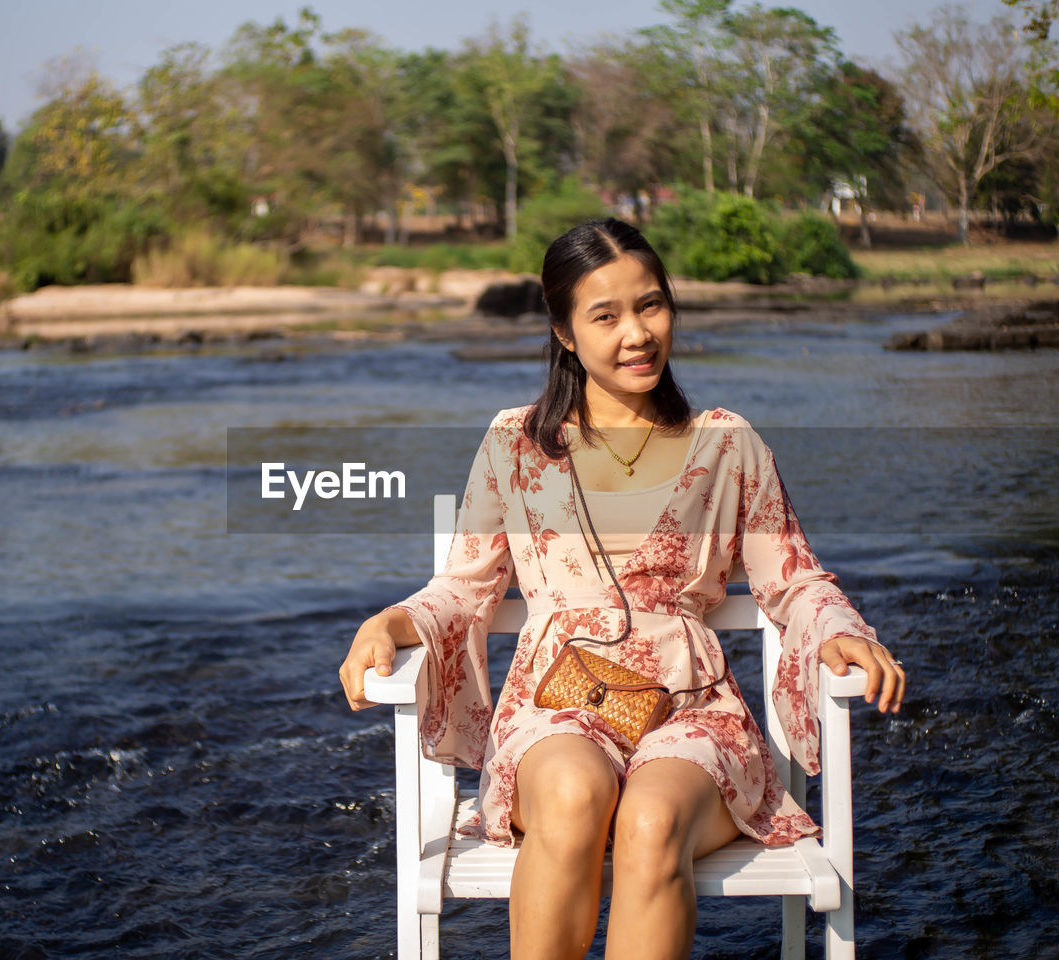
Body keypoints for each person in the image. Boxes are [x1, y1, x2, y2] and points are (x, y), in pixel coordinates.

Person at [338, 218, 906, 960]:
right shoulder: (516, 444)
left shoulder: (728, 445)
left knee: (649, 823)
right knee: (574, 800)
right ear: (565, 333)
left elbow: (793, 579)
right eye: (605, 315)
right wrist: (391, 621)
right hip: (558, 701)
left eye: (652, 305)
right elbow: (464, 586)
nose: (637, 333)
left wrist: (841, 629)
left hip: (692, 708)